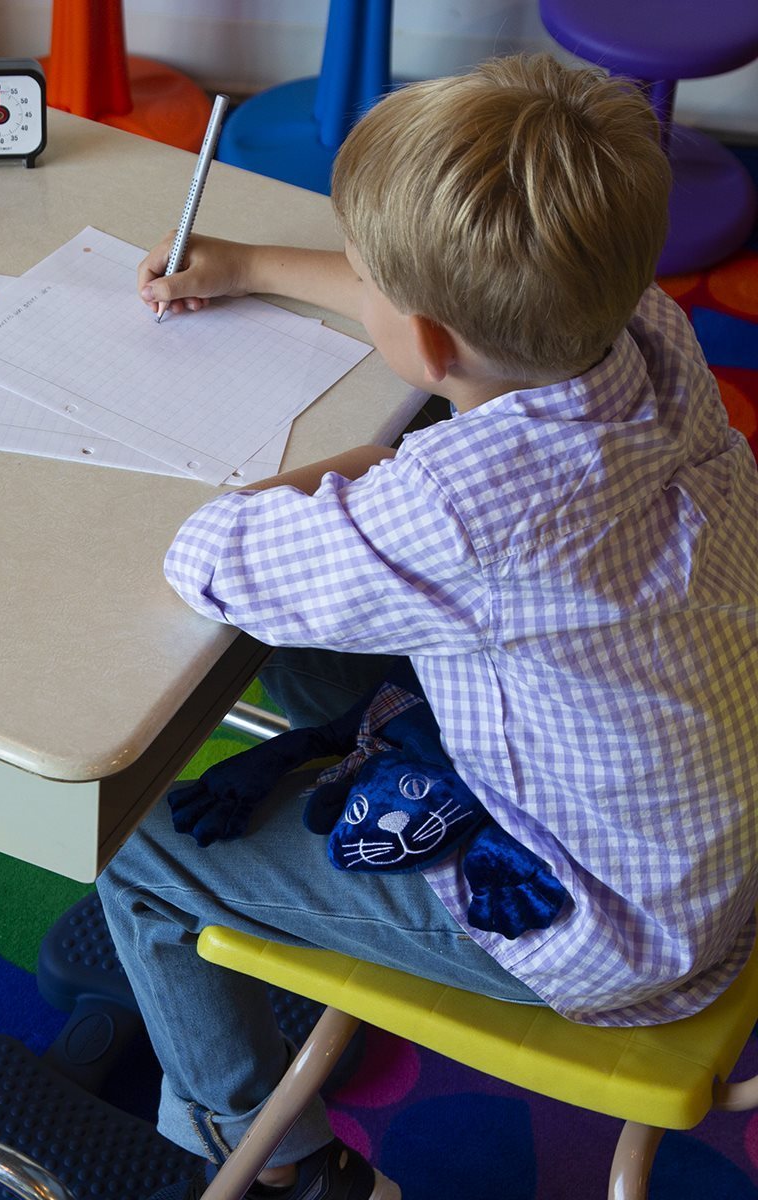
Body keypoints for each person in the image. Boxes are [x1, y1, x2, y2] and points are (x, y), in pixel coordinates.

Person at [95, 52, 758, 1200]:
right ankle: (298, 903)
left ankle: (263, 1153)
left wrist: (358, 476)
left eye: (364, 278)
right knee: (321, 662)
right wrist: (247, 266)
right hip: (699, 839)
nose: (357, 283)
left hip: (602, 931)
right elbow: (436, 311)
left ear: (435, 341)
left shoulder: (455, 513)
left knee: (132, 849)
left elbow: (205, 558)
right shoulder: (648, 330)